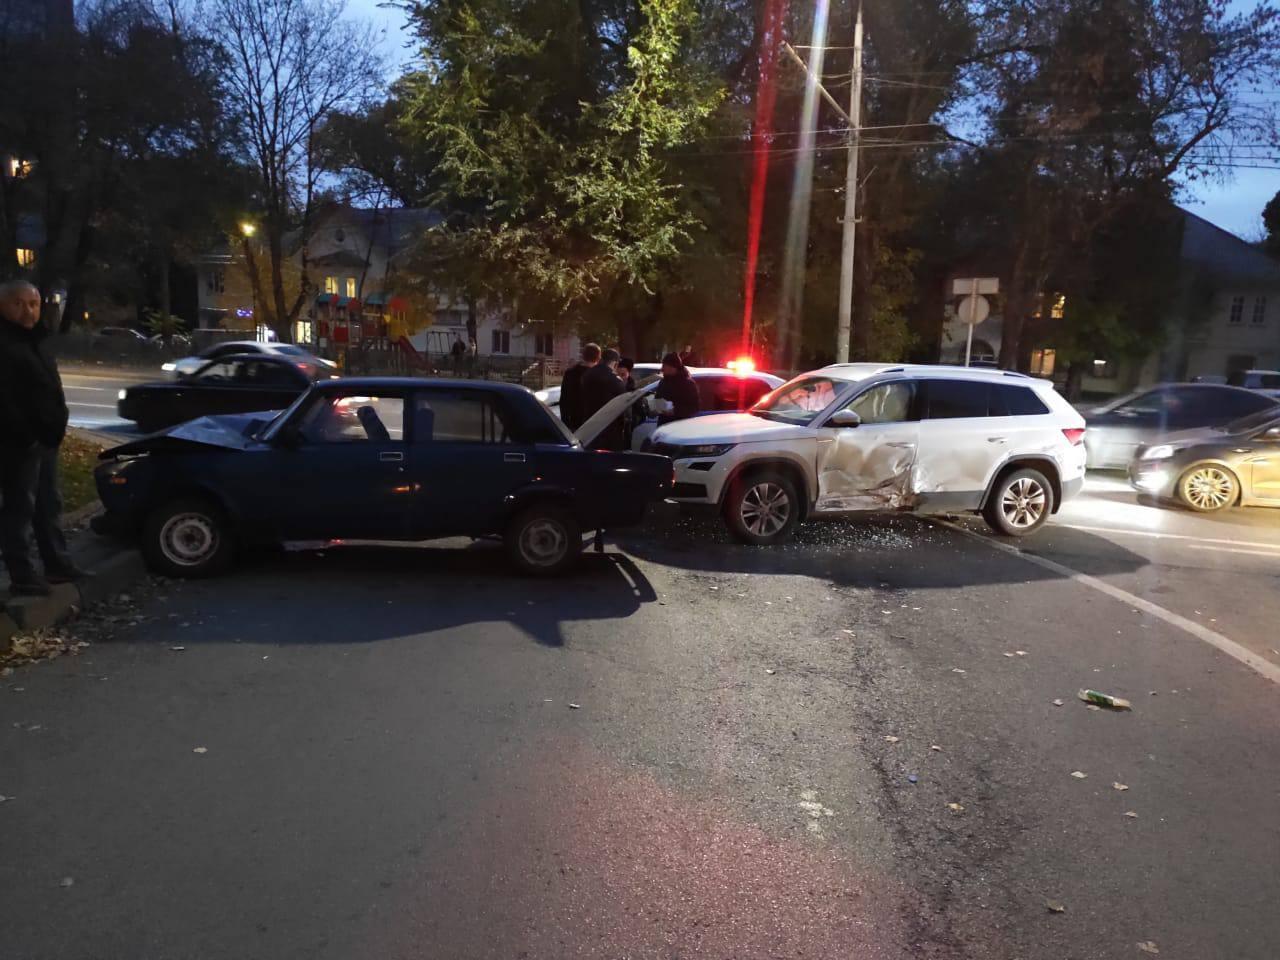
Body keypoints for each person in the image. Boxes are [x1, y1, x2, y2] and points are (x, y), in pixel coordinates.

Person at [0, 280, 84, 596]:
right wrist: (26, 435)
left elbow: (48, 389)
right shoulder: (6, 345)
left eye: (33, 304)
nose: (27, 311)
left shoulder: (35, 341)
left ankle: (57, 564)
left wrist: (54, 427)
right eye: (18, 303)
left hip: (45, 440)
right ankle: (22, 574)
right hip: (19, 443)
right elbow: (6, 400)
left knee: (49, 503)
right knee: (20, 508)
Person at [580, 348, 626, 450]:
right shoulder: (615, 379)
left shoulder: (588, 374)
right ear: (615, 363)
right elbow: (622, 402)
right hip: (609, 425)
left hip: (589, 421)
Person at [559, 342, 601, 430]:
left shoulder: (570, 373)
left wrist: (565, 422)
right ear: (598, 357)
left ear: (583, 355)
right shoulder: (599, 375)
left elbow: (564, 399)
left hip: (574, 420)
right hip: (594, 422)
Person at [653, 351, 700, 425]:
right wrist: (658, 406)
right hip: (663, 425)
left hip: (680, 426)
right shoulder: (663, 382)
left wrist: (674, 411)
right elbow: (657, 399)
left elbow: (694, 407)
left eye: (665, 365)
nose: (662, 368)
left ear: (673, 367)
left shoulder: (688, 384)